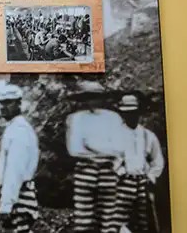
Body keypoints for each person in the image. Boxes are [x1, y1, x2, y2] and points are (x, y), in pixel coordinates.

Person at [66, 89, 125, 232]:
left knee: (107, 216)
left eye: (96, 97)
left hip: (108, 169)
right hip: (85, 169)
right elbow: (74, 150)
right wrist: (107, 151)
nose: (92, 101)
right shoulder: (76, 118)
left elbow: (120, 147)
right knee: (83, 217)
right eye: (88, 97)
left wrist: (91, 145)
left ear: (103, 98)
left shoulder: (113, 118)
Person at [112, 94, 165, 232]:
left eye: (134, 112)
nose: (131, 116)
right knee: (118, 223)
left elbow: (157, 160)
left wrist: (151, 176)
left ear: (138, 113)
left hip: (143, 184)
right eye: (127, 113)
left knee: (144, 223)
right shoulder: (114, 135)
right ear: (122, 113)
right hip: (122, 184)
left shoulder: (148, 135)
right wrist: (119, 172)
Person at [0, 86, 40, 233]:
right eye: (1, 103)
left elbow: (14, 171)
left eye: (8, 102)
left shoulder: (19, 131)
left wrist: (6, 204)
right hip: (16, 194)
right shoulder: (14, 128)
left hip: (19, 195)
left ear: (19, 104)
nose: (3, 107)